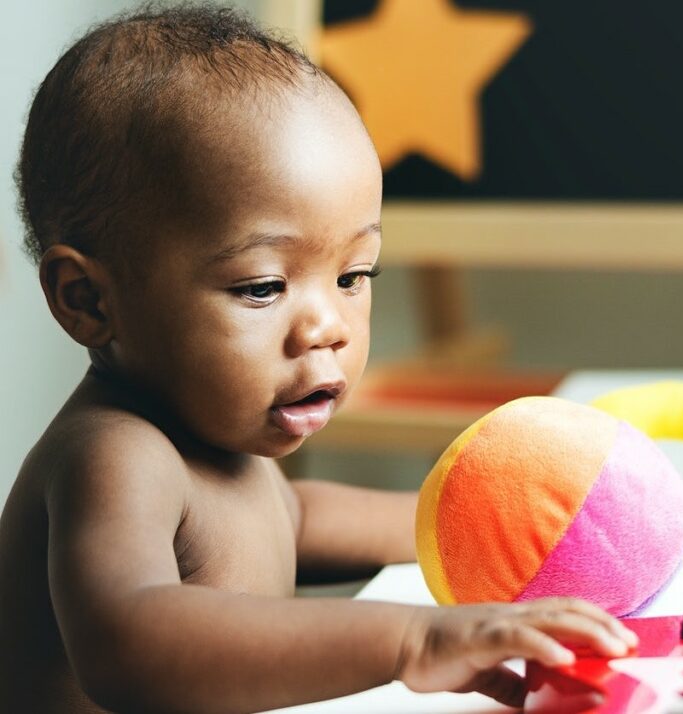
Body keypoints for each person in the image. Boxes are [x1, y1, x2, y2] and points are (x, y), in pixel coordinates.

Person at [0, 5, 636, 712]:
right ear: (87, 298)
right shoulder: (113, 456)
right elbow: (130, 641)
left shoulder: (218, 437)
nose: (327, 328)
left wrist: (508, 530)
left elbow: (294, 521)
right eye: (263, 286)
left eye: (353, 276)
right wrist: (411, 642)